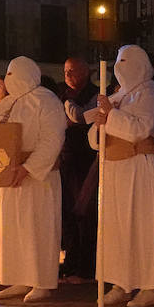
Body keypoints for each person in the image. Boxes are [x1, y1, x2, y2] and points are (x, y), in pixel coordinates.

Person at [88, 44, 154, 307]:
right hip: (114, 167)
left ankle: (148, 286)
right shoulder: (118, 95)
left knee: (142, 226)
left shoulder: (150, 92)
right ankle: (120, 281)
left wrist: (111, 116)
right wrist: (102, 124)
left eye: (126, 60)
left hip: (139, 165)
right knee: (116, 228)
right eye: (118, 60)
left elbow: (140, 129)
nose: (120, 66)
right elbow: (94, 136)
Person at [0, 57, 66, 302]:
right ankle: (18, 277)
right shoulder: (5, 104)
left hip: (35, 178)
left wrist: (29, 167)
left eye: (14, 74)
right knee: (11, 228)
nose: (9, 79)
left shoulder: (46, 100)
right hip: (7, 174)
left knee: (36, 227)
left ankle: (41, 280)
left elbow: (52, 139)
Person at [56, 58, 98, 282]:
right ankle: (71, 261)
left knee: (85, 213)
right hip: (66, 158)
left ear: (85, 71)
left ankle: (85, 265)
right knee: (67, 213)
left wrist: (72, 114)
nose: (68, 74)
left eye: (72, 70)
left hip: (85, 158)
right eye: (65, 71)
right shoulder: (62, 94)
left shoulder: (95, 94)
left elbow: (82, 118)